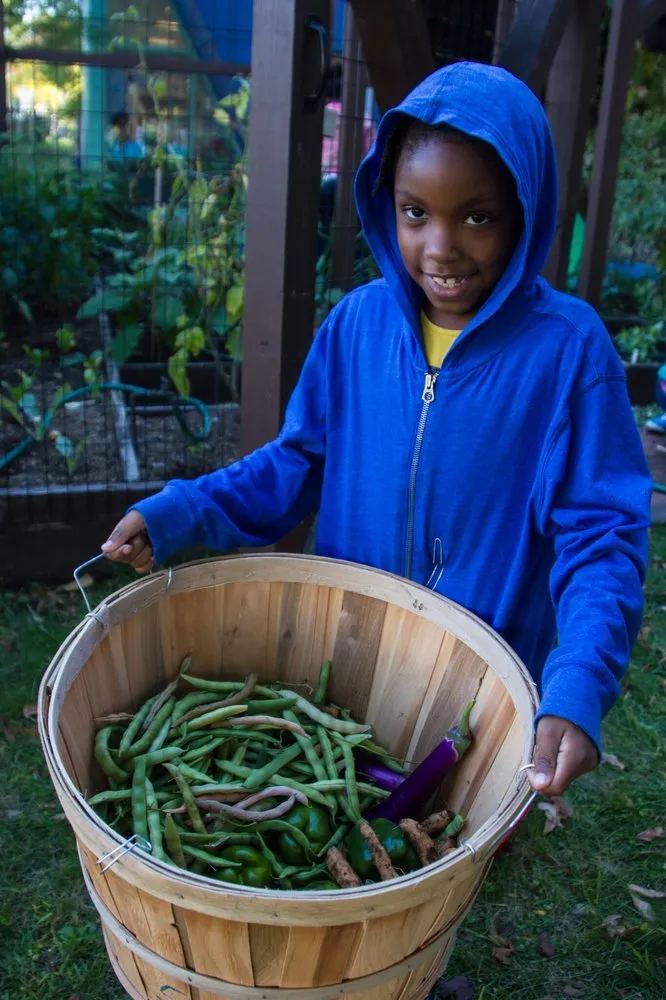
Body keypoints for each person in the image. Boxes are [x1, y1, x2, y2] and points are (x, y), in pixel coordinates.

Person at [102, 62, 651, 800]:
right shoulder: (356, 327)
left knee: (443, 842)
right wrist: (183, 509)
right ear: (384, 206)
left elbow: (601, 539)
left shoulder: (569, 352)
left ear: (526, 211)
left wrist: (578, 683)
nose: (441, 247)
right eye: (415, 211)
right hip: (353, 666)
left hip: (479, 692)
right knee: (339, 815)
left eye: (477, 216)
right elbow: (295, 464)